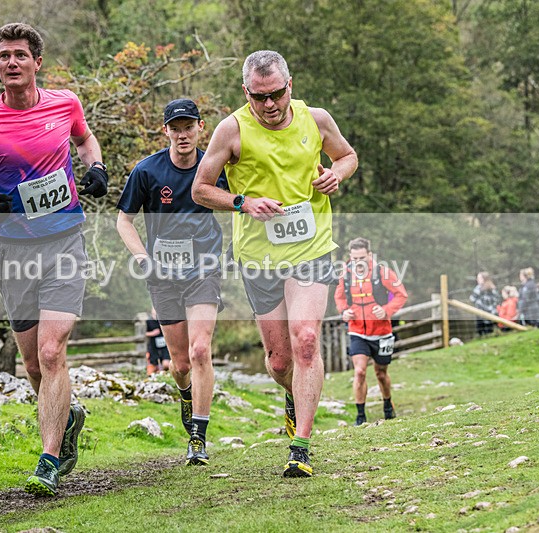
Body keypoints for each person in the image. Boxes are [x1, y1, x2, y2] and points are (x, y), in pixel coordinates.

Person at [0, 23, 108, 496]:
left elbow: (85, 141)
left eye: (21, 55)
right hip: (14, 250)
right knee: (34, 365)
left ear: (37, 62)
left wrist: (95, 167)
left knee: (51, 350)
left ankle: (48, 458)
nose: (12, 63)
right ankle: (69, 414)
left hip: (64, 239)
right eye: (4, 56)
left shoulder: (66, 104)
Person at [192, 50, 358, 477]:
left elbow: (347, 155)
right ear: (246, 92)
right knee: (280, 362)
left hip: (312, 247)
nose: (269, 105)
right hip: (259, 257)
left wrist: (336, 174)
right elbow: (200, 190)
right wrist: (242, 202)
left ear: (290, 86)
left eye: (276, 94)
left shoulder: (316, 119)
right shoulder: (231, 129)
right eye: (259, 97)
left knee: (306, 340)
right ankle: (292, 393)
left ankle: (300, 446)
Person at [117, 99, 226, 466]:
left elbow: (243, 201)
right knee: (179, 365)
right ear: (165, 130)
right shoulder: (147, 171)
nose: (182, 134)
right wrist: (143, 259)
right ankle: (185, 395)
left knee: (200, 351)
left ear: (200, 127)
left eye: (188, 126)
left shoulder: (215, 167)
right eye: (175, 128)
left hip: (204, 269)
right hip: (163, 277)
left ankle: (198, 435)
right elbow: (124, 221)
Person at [334, 238, 407, 426]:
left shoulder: (382, 272)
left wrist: (387, 310)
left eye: (362, 258)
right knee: (359, 372)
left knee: (381, 373)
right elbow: (339, 297)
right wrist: (344, 311)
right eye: (355, 258)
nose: (358, 262)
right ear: (350, 257)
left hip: (382, 331)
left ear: (370, 255)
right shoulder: (346, 275)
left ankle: (387, 405)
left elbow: (401, 295)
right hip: (357, 330)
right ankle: (360, 416)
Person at [469, 271, 500, 336]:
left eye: (479, 278)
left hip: (481, 313)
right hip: (492, 313)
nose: (477, 279)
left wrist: (478, 303)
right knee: (490, 330)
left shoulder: (478, 288)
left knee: (481, 331)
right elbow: (497, 299)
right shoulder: (493, 287)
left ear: (484, 278)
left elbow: (472, 298)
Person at [145, 308, 171, 375]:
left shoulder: (164, 320)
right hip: (153, 346)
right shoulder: (148, 321)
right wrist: (152, 333)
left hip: (165, 346)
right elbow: (144, 334)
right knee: (153, 366)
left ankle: (166, 373)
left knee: (166, 364)